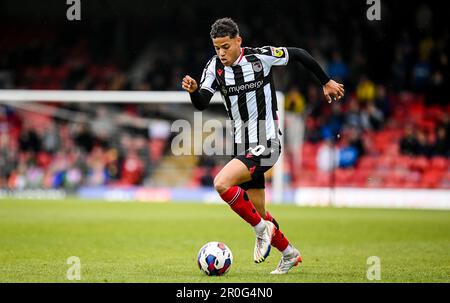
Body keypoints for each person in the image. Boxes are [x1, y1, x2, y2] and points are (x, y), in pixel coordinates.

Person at [181, 18, 344, 274]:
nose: (221, 53)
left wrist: (325, 81)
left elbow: (299, 55)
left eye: (225, 46)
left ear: (238, 41)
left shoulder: (261, 58)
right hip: (242, 145)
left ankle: (260, 231)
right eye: (217, 48)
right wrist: (193, 91)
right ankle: (289, 253)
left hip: (267, 142)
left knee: (221, 183)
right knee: (258, 211)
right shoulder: (214, 67)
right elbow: (202, 101)